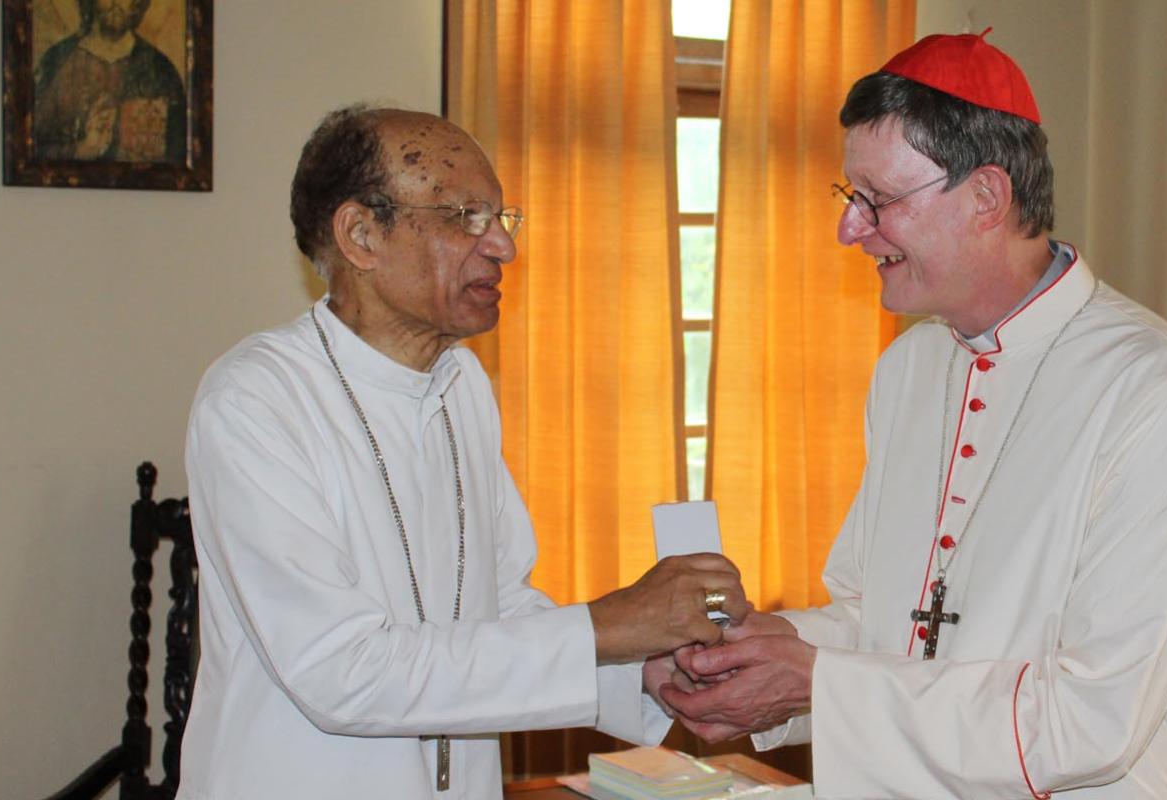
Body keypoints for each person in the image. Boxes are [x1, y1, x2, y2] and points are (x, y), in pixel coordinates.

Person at [656, 30, 1167, 799]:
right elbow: (877, 618)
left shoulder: (1154, 391)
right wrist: (759, 654)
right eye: (849, 197)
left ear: (987, 197)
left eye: (878, 200)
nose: (849, 229)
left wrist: (816, 684)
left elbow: (1093, 722)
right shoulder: (909, 368)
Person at [180, 106, 747, 799]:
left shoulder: (461, 384)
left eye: (502, 219)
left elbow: (499, 603)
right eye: (465, 217)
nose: (502, 248)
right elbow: (342, 672)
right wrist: (608, 626)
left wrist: (638, 669)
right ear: (361, 234)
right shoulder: (256, 401)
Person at [33, 0, 186, 162]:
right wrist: (79, 151)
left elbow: (177, 156)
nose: (116, 3)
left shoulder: (162, 71)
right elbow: (30, 147)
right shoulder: (57, 61)